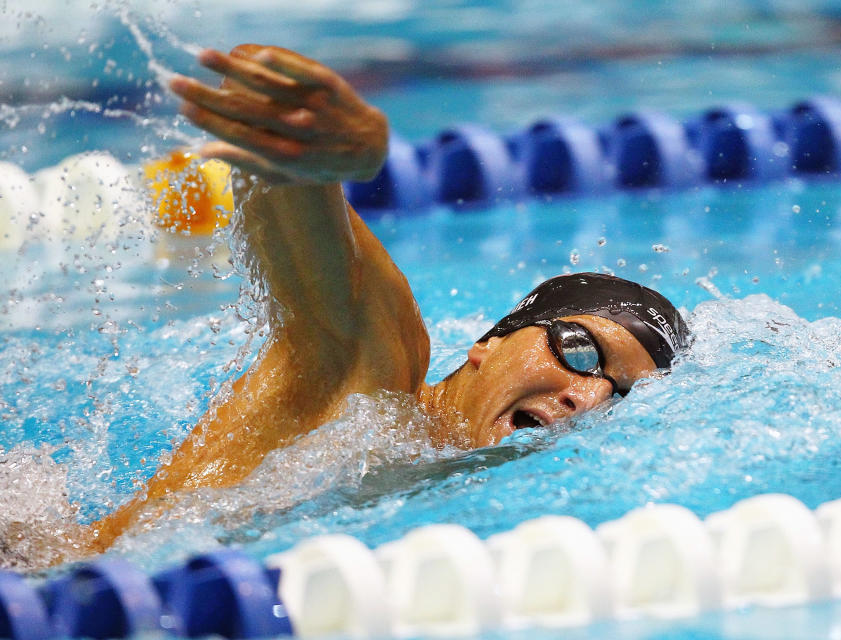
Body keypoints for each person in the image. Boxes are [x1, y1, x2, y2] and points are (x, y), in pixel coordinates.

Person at [90, 44, 689, 551]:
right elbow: (256, 79)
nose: (587, 397)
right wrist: (320, 152)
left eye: (620, 395)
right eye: (581, 353)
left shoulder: (472, 497)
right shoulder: (375, 374)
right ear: (489, 343)